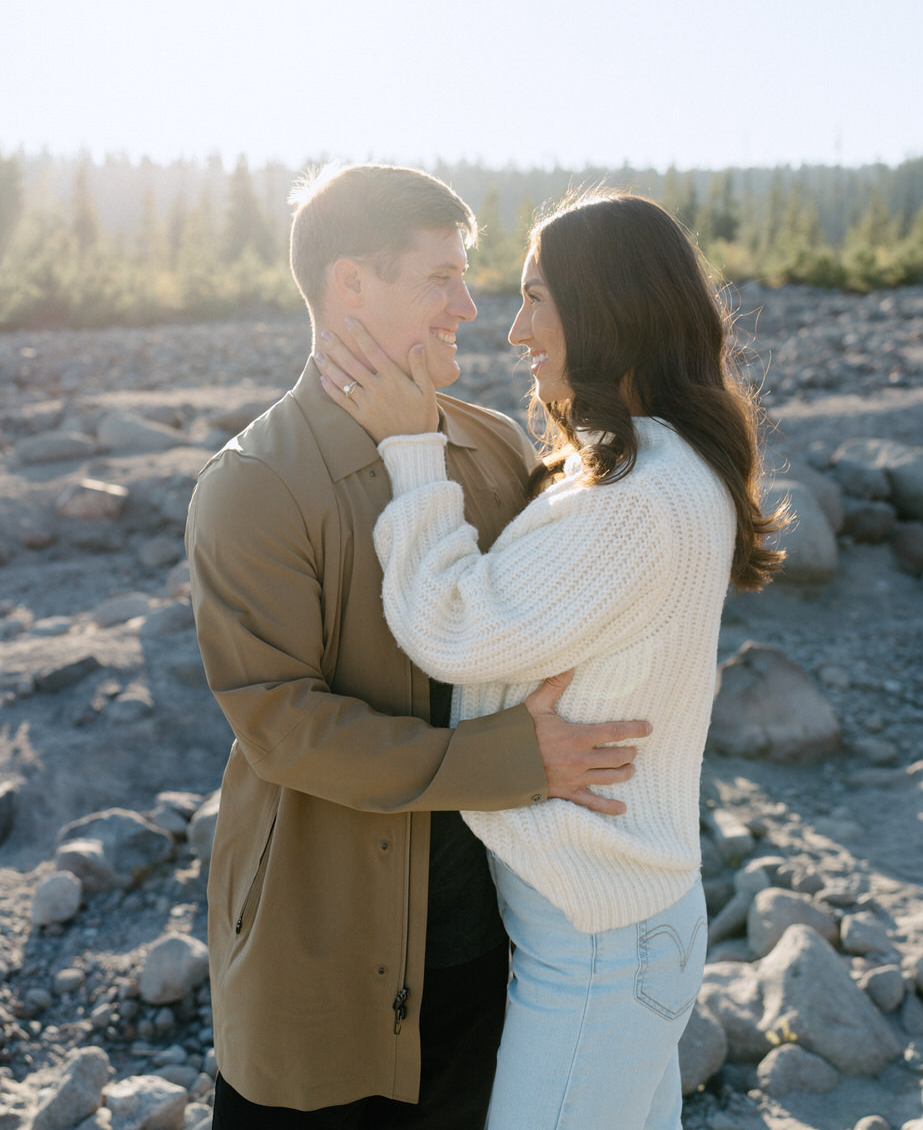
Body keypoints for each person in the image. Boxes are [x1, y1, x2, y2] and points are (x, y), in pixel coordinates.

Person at [185, 164, 653, 1129]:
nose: (470, 307)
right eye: (439, 278)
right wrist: (509, 761)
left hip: (484, 954)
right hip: (318, 961)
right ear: (350, 285)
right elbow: (282, 726)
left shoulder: (493, 451)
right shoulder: (252, 485)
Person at [318, 189, 785, 1130]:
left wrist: (412, 448)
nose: (516, 330)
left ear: (606, 308)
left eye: (538, 299)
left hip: (601, 951)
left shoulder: (635, 500)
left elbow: (448, 628)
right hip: (624, 929)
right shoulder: (658, 466)